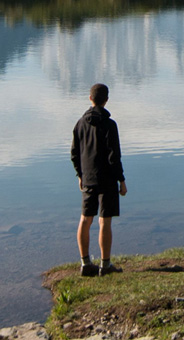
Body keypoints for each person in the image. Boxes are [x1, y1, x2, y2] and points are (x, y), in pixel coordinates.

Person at [71, 83, 127, 277]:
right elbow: (114, 156)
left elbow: (74, 153)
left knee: (85, 220)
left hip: (88, 179)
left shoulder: (80, 123)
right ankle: (105, 265)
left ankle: (85, 264)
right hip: (107, 180)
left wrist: (80, 175)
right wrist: (121, 180)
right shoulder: (110, 125)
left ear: (90, 98)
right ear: (106, 100)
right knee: (105, 222)